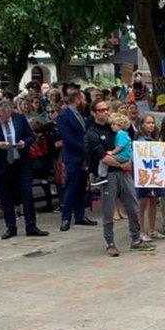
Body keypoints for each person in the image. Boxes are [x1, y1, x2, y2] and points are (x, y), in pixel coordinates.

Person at [85, 100, 153, 256]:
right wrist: (122, 165)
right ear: (94, 113)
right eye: (101, 110)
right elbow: (104, 157)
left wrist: (128, 161)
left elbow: (128, 146)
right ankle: (110, 243)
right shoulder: (92, 133)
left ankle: (136, 239)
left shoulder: (115, 127)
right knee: (108, 211)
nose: (105, 112)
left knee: (132, 206)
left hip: (124, 173)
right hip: (108, 174)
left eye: (107, 109)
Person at [0, 100, 48, 239]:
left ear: (11, 112)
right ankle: (11, 227)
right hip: (2, 163)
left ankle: (31, 225)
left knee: (27, 192)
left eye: (6, 117)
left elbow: (30, 136)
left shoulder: (19, 118)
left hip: (21, 162)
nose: (3, 119)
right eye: (0, 116)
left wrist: (24, 143)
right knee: (6, 196)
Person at [56, 91, 96, 232]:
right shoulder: (64, 116)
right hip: (72, 157)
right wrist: (84, 148)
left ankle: (80, 215)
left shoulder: (82, 115)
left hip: (83, 158)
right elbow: (68, 138)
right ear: (78, 99)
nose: (85, 102)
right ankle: (66, 217)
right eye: (84, 99)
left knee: (81, 187)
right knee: (71, 187)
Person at [134, 114, 165, 241]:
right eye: (148, 123)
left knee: (153, 201)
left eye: (152, 122)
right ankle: (141, 231)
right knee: (143, 203)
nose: (151, 125)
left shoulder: (155, 138)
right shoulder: (139, 139)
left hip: (155, 174)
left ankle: (152, 230)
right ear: (142, 125)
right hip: (144, 175)